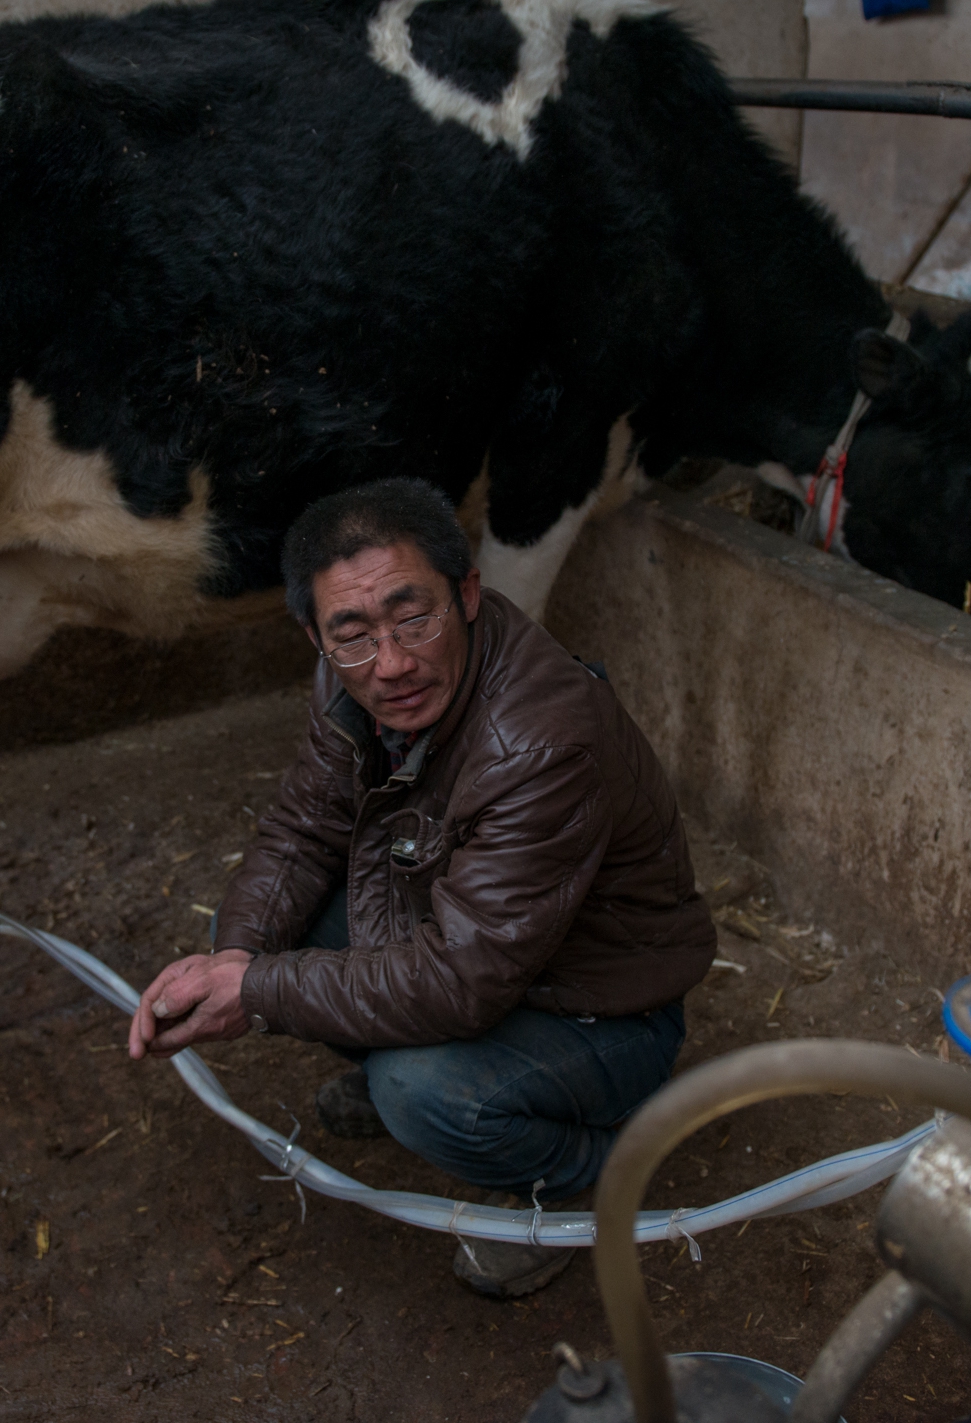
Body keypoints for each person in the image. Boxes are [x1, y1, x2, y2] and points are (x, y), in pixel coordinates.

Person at [127, 477, 713, 1297]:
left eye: (415, 616)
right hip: (480, 945)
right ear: (315, 637)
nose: (393, 662)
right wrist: (235, 957)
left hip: (602, 1004)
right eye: (355, 633)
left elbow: (461, 981)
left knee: (424, 1092)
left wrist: (256, 989)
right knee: (264, 929)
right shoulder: (349, 684)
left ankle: (582, 1178)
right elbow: (301, 832)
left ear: (468, 594)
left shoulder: (541, 742)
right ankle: (421, 1074)